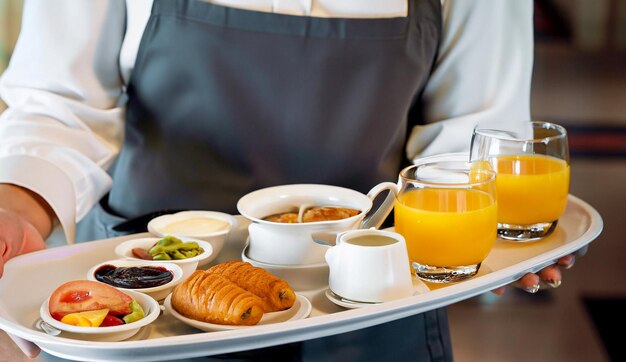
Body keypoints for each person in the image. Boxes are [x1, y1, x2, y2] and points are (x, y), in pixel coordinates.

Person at [0, 0, 577, 360]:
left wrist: (493, 241)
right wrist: (17, 207)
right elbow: (59, 102)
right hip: (144, 309)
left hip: (372, 306)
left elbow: (471, 141)